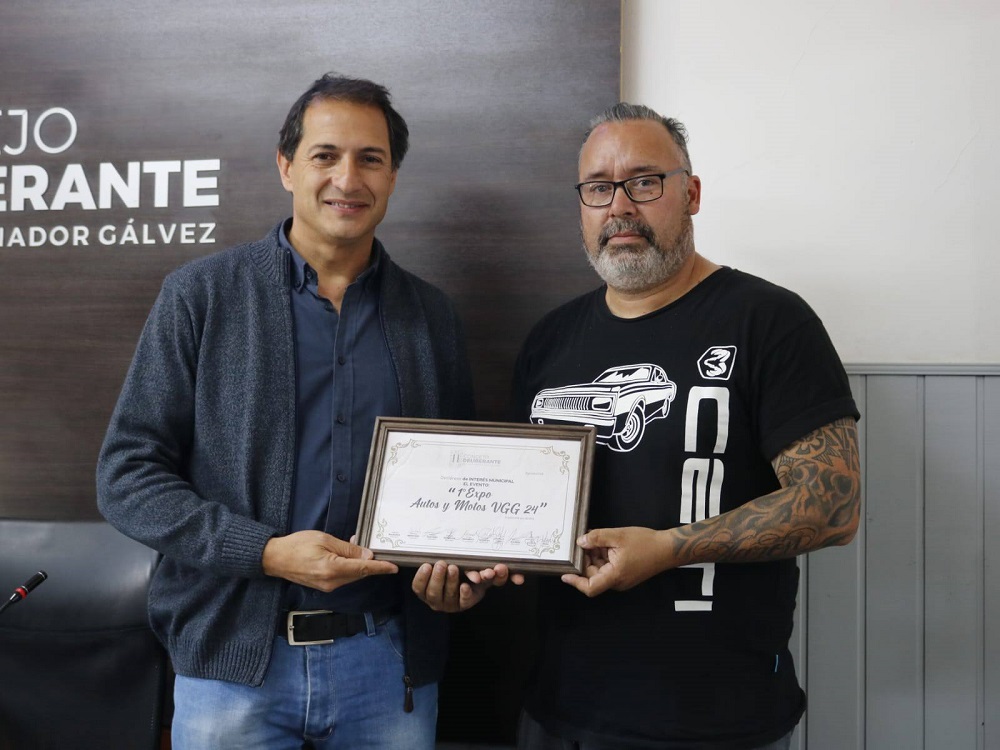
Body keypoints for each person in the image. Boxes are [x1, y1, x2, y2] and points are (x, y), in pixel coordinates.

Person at [418, 103, 861, 749]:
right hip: (560, 709)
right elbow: (522, 512)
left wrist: (670, 548)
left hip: (716, 720)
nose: (620, 206)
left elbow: (835, 506)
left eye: (644, 182)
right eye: (599, 187)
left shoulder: (771, 321)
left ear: (692, 194)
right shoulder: (550, 340)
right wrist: (469, 574)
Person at [97, 73, 480, 750]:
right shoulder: (201, 296)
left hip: (388, 665)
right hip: (232, 668)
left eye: (370, 159)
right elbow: (127, 477)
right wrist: (267, 553)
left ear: (393, 176)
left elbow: (459, 488)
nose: (347, 179)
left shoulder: (431, 317)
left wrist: (457, 577)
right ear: (286, 166)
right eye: (325, 155)